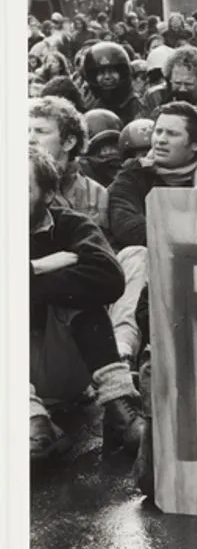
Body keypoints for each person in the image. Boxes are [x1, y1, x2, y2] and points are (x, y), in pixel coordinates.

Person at [29, 146, 150, 470]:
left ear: (48, 193)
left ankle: (120, 408)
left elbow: (108, 279)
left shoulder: (70, 225)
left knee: (82, 301)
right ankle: (34, 423)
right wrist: (35, 267)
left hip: (62, 364)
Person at [106, 102, 197, 366]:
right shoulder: (133, 174)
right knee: (138, 254)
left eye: (172, 134)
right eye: (158, 131)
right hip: (140, 274)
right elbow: (126, 225)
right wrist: (183, 237)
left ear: (195, 145)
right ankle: (123, 353)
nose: (160, 140)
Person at [28, 96, 109, 232]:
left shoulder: (97, 192)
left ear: (68, 142)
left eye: (41, 131)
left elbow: (106, 245)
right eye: (26, 131)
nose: (30, 139)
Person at [142, 46, 197, 127]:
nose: (182, 89)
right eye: (177, 83)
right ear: (169, 79)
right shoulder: (154, 97)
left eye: (189, 84)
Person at [80, 41, 143, 124]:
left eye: (112, 71)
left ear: (122, 73)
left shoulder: (135, 106)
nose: (107, 77)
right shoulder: (91, 105)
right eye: (101, 73)